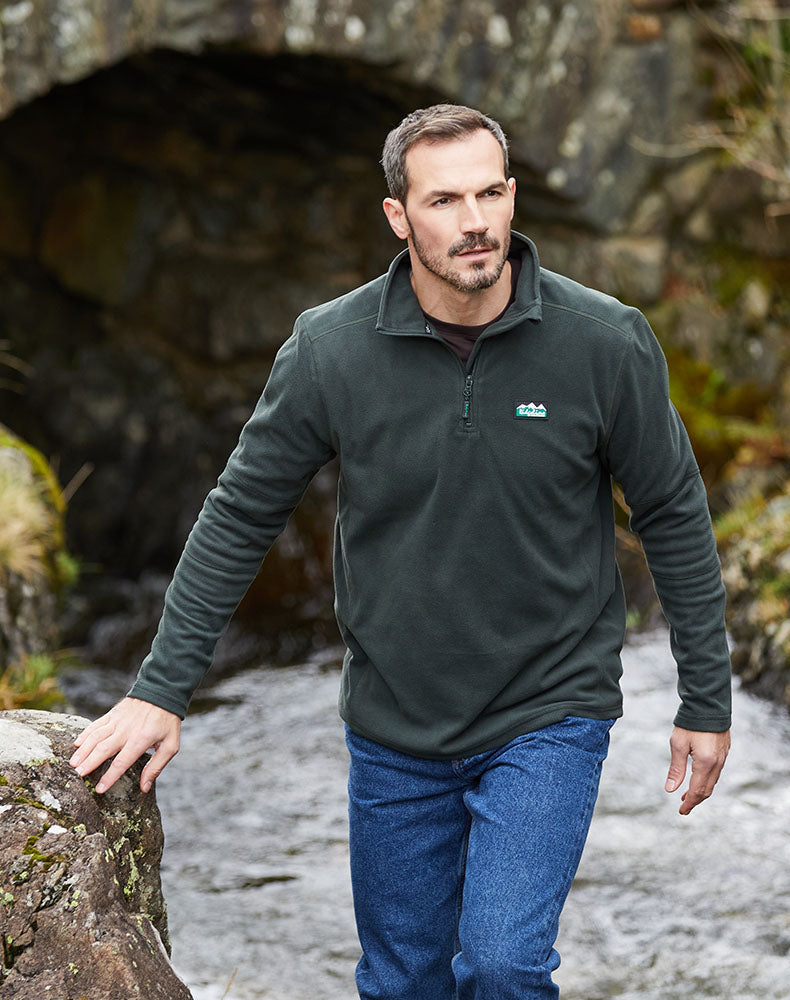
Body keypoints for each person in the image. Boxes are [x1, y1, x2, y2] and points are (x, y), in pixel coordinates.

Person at [71, 104, 732, 999]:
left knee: (501, 963)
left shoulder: (603, 342)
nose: (475, 222)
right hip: (393, 725)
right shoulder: (330, 349)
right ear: (397, 216)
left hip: (549, 709)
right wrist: (161, 688)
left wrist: (705, 695)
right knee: (403, 982)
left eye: (492, 193)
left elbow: (674, 514)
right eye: (445, 199)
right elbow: (239, 517)